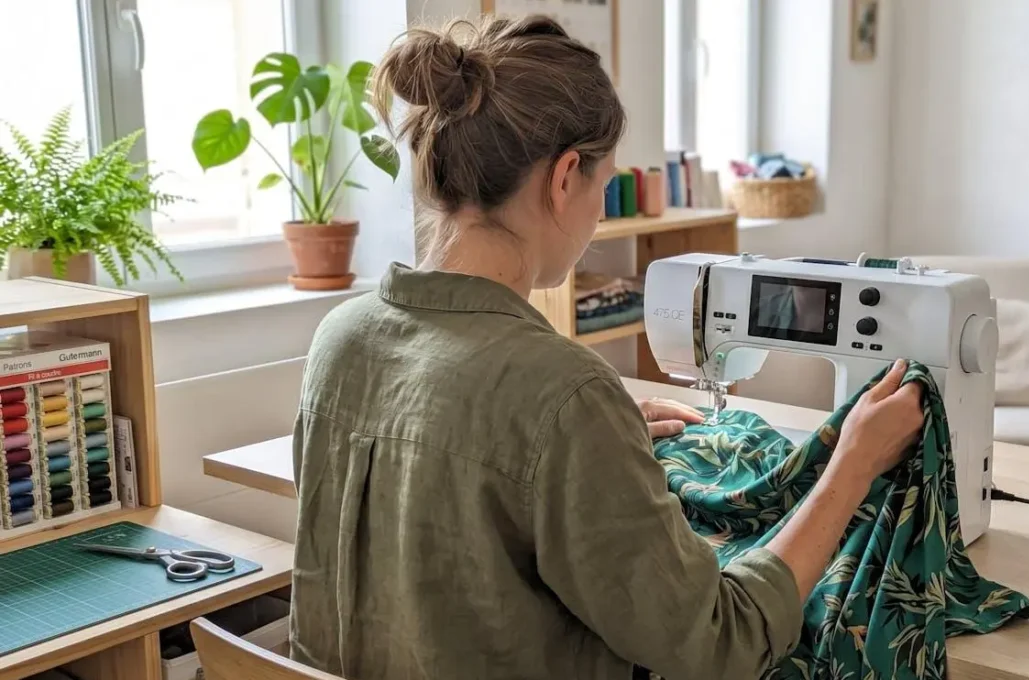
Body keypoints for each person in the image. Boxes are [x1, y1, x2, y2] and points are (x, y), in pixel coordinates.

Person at [288, 14, 925, 680]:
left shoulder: (342, 339)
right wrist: (852, 465)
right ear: (565, 177)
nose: (600, 215)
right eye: (604, 186)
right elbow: (717, 644)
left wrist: (596, 444)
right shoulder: (562, 394)